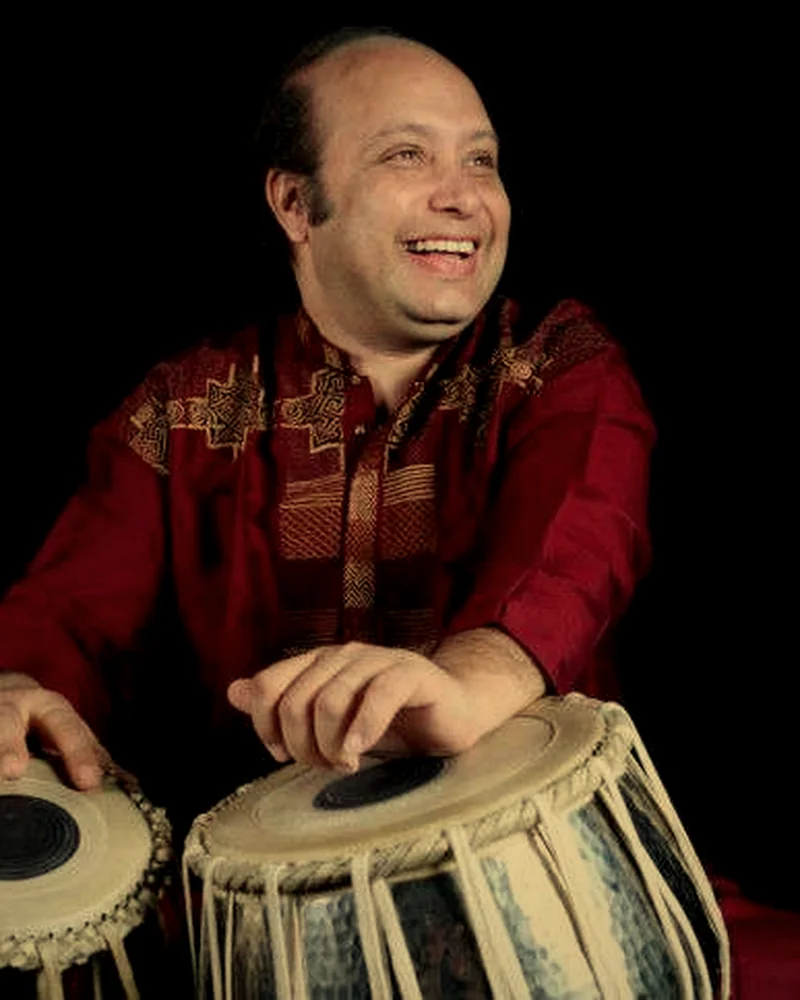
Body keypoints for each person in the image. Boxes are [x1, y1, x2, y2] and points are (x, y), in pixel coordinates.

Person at [0, 28, 654, 825]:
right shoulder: (183, 408)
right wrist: (19, 687)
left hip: (547, 864)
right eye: (407, 155)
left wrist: (470, 681)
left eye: (481, 160)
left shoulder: (558, 364)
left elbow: (578, 544)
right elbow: (68, 616)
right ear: (295, 204)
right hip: (247, 882)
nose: (464, 198)